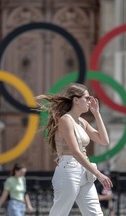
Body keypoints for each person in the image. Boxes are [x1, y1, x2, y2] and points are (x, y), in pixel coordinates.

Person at [36, 83, 113, 216]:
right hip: (69, 169)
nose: (90, 101)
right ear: (76, 100)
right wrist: (99, 174)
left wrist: (97, 114)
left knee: (95, 214)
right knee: (60, 213)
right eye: (87, 98)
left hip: (85, 171)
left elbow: (104, 141)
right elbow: (75, 152)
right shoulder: (66, 120)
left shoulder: (82, 122)